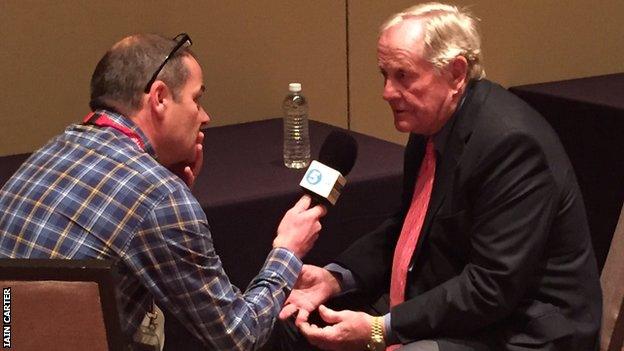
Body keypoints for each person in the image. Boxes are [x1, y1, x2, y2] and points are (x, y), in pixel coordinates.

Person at [278, 3, 601, 351]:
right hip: (468, 304)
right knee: (296, 323)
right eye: (384, 75)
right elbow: (409, 229)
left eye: (403, 75)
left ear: (457, 73)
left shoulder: (511, 144)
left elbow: (492, 286)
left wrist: (380, 329)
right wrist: (335, 278)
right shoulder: (431, 124)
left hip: (528, 327)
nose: (387, 91)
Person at [0, 33, 326, 350]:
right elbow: (238, 337)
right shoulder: (160, 197)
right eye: (197, 99)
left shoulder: (51, 151)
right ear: (159, 98)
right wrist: (287, 251)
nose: (205, 117)